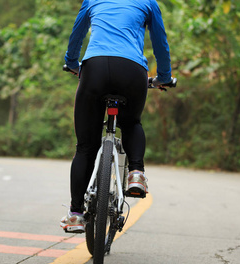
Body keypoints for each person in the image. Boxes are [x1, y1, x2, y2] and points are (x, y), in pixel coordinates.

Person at [60, 0, 173, 233]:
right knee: (131, 122)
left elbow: (77, 34)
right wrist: (163, 76)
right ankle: (136, 174)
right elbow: (160, 43)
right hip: (132, 71)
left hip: (95, 69)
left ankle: (75, 214)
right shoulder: (148, 2)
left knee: (85, 148)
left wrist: (72, 64)